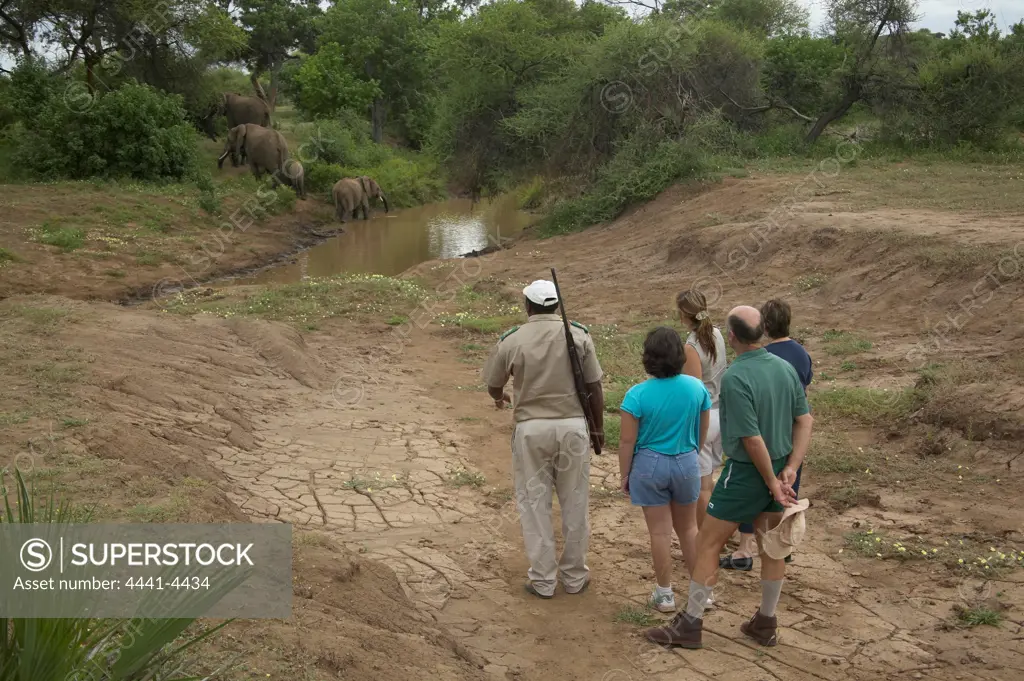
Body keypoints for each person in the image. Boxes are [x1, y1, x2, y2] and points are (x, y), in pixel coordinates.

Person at [645, 305, 813, 649]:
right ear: (762, 331)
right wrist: (790, 469)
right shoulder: (784, 367)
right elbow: (804, 420)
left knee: (708, 542)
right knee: (773, 547)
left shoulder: (736, 376)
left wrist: (768, 480)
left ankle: (690, 625)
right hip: (781, 469)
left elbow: (751, 439)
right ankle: (765, 622)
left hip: (749, 473)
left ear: (732, 336)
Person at [483, 279, 604, 598]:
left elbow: (493, 384)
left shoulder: (514, 339)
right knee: (575, 501)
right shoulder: (579, 335)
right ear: (557, 305)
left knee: (534, 504)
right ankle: (575, 577)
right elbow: (594, 386)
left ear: (528, 306)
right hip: (573, 429)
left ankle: (543, 580)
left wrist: (501, 396)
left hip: (531, 430)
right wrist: (598, 430)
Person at [618, 327, 711, 613]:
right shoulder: (697, 388)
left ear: (648, 358)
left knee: (659, 532)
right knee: (690, 528)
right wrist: (691, 451)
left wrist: (625, 474)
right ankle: (701, 595)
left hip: (649, 464)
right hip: (686, 461)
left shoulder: (636, 395)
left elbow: (627, 440)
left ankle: (665, 593)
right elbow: (702, 428)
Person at [721, 299, 813, 571]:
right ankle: (780, 550)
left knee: (752, 501)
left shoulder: (758, 360)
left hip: (760, 445)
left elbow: (751, 435)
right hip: (789, 444)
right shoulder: (800, 354)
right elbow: (803, 405)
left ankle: (744, 548)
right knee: (780, 503)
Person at [675, 289, 727, 530]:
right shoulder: (716, 333)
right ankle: (720, 531)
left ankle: (708, 539)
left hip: (704, 419)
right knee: (711, 481)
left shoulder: (691, 346)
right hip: (722, 413)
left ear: (683, 315)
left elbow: (695, 392)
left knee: (702, 487)